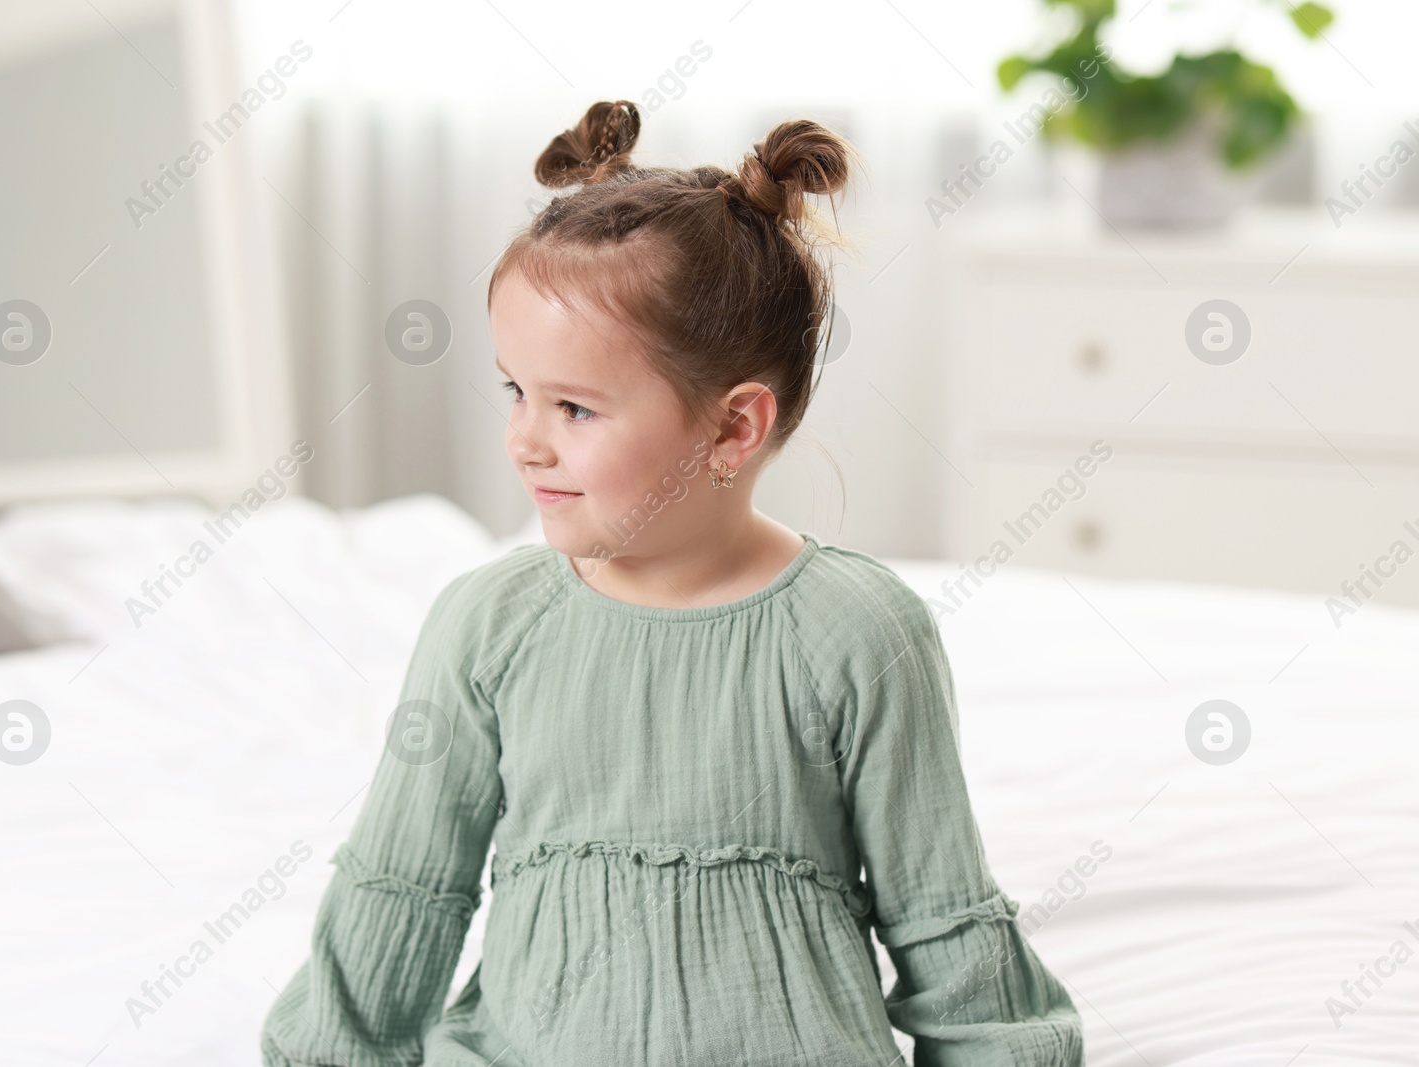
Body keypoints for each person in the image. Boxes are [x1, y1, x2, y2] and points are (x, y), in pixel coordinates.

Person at [260, 99, 1083, 1066]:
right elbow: (400, 887)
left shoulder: (863, 632)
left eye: (575, 406)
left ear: (734, 426)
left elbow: (942, 913)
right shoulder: (488, 625)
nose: (525, 439)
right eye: (515, 390)